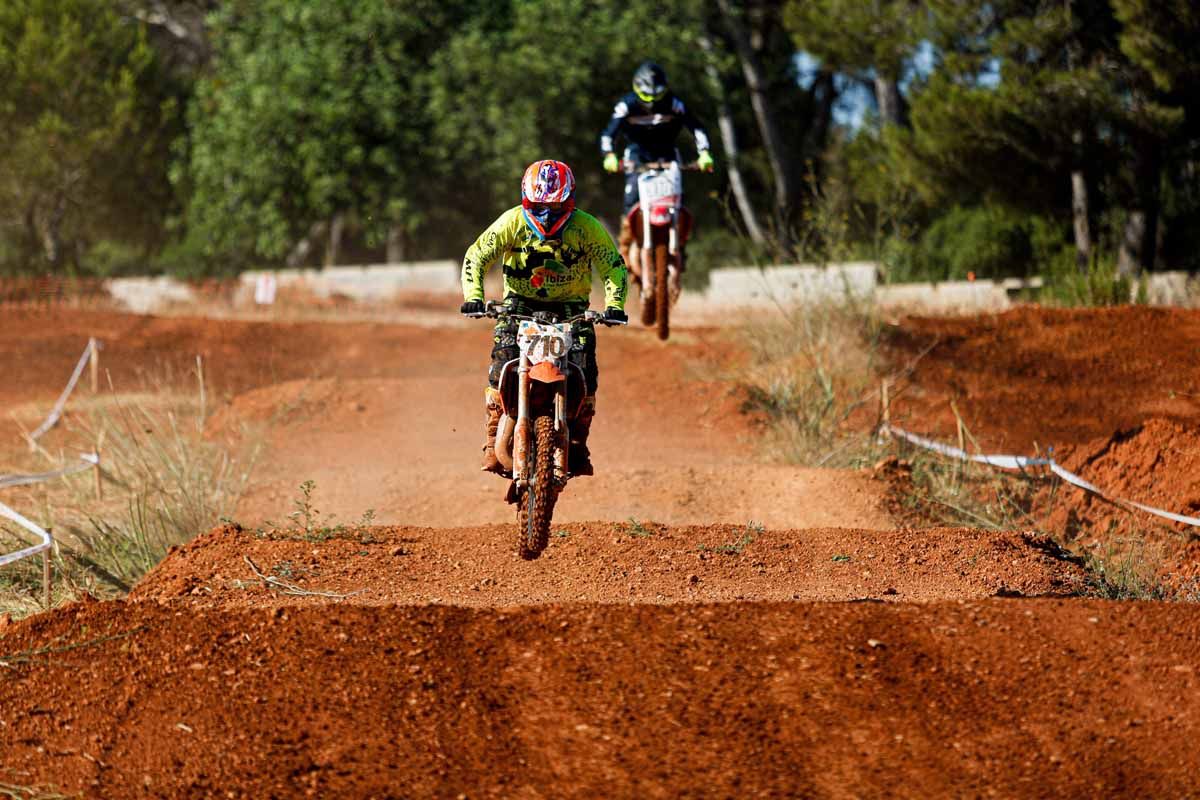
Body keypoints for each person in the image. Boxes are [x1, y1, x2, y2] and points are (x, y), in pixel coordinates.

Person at [460, 159, 628, 477]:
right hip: (518, 304)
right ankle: (491, 440)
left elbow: (613, 265)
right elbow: (477, 255)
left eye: (556, 206)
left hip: (572, 308)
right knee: (502, 363)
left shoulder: (586, 227)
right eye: (538, 206)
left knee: (585, 371)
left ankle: (578, 442)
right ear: (525, 199)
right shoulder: (512, 222)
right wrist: (474, 298)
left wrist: (615, 305)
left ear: (570, 201)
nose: (546, 215)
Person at [599, 61, 715, 265]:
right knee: (631, 195)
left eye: (656, 94)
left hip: (668, 154)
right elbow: (608, 134)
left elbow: (697, 129)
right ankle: (624, 249)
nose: (651, 100)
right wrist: (609, 155)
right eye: (647, 95)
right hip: (637, 156)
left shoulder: (674, 104)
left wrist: (704, 153)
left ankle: (680, 244)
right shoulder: (626, 105)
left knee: (679, 197)